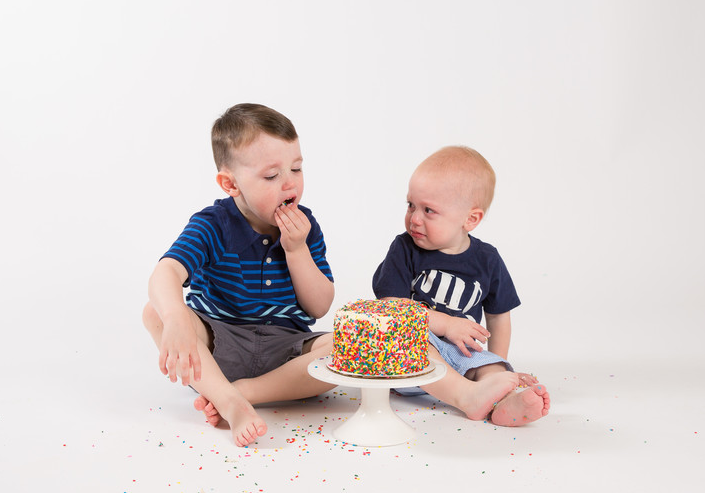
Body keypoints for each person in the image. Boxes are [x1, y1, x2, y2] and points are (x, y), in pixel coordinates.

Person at [142, 103, 335, 447]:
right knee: (154, 311)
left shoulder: (306, 227)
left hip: (285, 350)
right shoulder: (213, 224)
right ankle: (229, 401)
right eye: (272, 176)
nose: (289, 183)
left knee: (348, 347)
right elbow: (166, 271)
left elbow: (319, 306)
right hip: (220, 346)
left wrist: (296, 250)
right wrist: (174, 318)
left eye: (297, 168)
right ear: (230, 183)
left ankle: (245, 393)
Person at [372, 146, 550, 426]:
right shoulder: (404, 249)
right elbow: (390, 307)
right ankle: (467, 397)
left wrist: (495, 365)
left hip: (464, 355)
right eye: (411, 205)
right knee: (408, 343)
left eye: (429, 210)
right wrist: (445, 325)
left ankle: (503, 400)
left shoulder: (487, 259)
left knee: (490, 368)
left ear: (470, 219)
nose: (414, 218)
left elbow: (499, 317)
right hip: (411, 357)